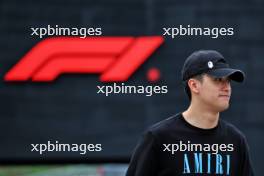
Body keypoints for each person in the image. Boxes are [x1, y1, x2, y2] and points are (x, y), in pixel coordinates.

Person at [126, 50, 254, 176]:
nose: (227, 87)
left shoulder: (236, 141)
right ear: (194, 85)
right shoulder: (159, 138)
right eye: (218, 80)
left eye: (228, 81)